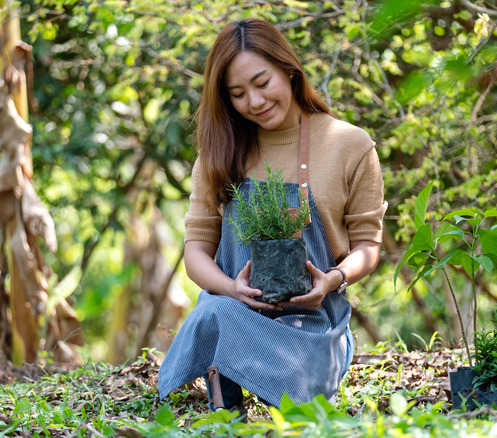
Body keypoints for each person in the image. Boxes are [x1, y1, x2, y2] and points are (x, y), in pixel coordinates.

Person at [157, 17, 386, 412]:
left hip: (312, 327)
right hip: (235, 315)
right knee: (216, 310)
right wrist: (232, 289)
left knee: (301, 402)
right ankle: (223, 393)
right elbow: (195, 253)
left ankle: (278, 380)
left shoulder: (350, 146)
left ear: (289, 69)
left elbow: (367, 246)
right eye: (238, 94)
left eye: (262, 83)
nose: (255, 102)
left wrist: (332, 280)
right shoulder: (219, 155)